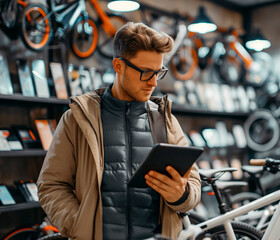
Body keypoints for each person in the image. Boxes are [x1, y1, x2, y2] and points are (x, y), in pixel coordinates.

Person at [37, 22, 201, 240]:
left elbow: (194, 184)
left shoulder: (166, 120)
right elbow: (51, 185)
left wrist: (182, 194)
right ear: (119, 66)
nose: (153, 82)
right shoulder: (78, 119)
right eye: (145, 72)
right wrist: (79, 225)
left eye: (158, 72)